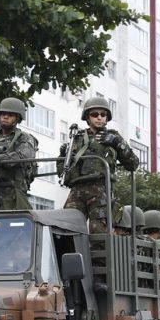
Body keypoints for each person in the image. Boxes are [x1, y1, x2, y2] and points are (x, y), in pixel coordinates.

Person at [58, 96, 139, 233]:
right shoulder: (76, 139)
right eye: (95, 114)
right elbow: (62, 172)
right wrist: (62, 155)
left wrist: (117, 144)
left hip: (101, 189)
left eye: (103, 114)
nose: (99, 117)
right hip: (77, 189)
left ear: (107, 118)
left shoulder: (113, 136)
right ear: (87, 118)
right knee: (68, 230)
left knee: (99, 233)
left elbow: (133, 164)